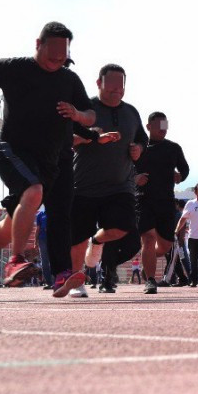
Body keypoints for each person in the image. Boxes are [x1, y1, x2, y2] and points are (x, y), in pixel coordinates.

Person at [0, 22, 95, 298]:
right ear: (38, 44)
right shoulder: (13, 68)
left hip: (58, 160)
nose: (57, 62)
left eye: (63, 57)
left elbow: (90, 116)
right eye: (52, 56)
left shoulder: (69, 79)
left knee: (32, 219)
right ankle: (15, 260)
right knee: (33, 191)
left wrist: (77, 114)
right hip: (15, 151)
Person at [72, 64, 148, 294]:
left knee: (124, 226)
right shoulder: (85, 109)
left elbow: (142, 139)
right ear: (99, 83)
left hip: (120, 185)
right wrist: (92, 138)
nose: (117, 91)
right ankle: (77, 282)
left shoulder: (131, 112)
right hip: (84, 185)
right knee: (76, 236)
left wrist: (139, 149)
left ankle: (96, 242)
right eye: (112, 87)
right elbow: (67, 139)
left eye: (121, 87)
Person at [134, 112, 189, 294]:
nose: (162, 129)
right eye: (158, 126)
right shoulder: (138, 148)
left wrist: (180, 176)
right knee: (148, 239)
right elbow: (124, 169)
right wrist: (135, 178)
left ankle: (146, 259)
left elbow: (185, 168)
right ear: (148, 126)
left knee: (165, 246)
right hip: (143, 200)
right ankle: (150, 280)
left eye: (165, 126)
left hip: (166, 202)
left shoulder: (173, 148)